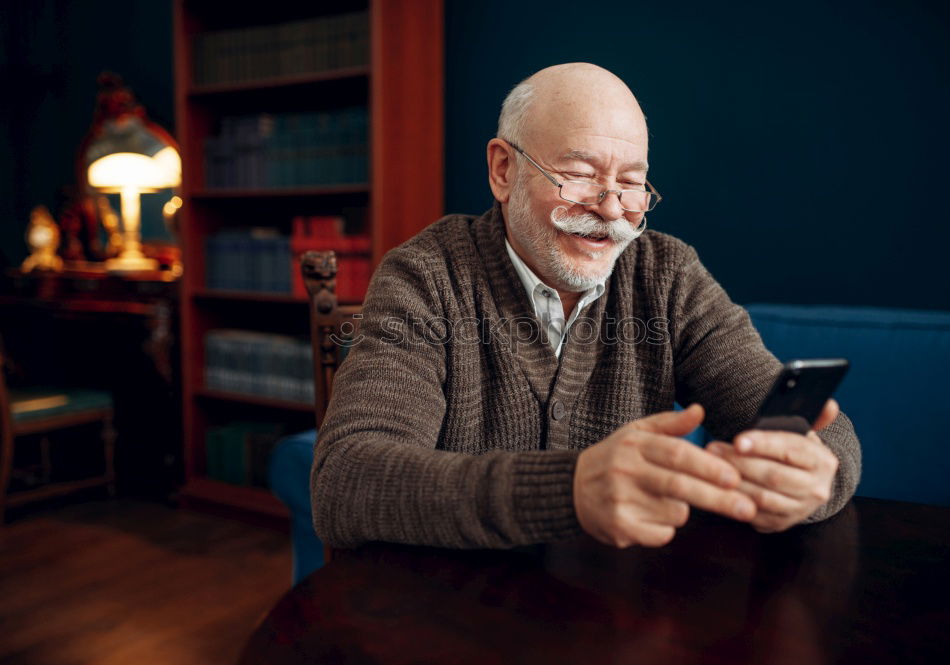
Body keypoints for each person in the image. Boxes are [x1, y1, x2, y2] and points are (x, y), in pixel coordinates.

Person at [311, 63, 860, 550]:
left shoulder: (667, 274)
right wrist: (570, 491)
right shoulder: (427, 277)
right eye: (578, 174)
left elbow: (814, 430)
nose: (612, 208)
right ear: (504, 170)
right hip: (456, 615)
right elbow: (347, 481)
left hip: (618, 615)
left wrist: (809, 476)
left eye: (632, 182)